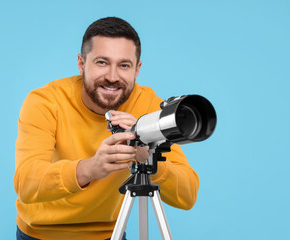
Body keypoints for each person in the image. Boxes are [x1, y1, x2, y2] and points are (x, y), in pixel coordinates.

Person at [14, 17, 199, 240]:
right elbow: (26, 182)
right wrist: (91, 167)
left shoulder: (148, 107)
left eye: (124, 65)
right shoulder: (45, 102)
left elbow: (188, 195)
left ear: (137, 69)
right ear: (82, 64)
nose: (112, 77)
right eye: (102, 62)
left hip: (110, 233)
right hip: (41, 234)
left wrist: (147, 156)